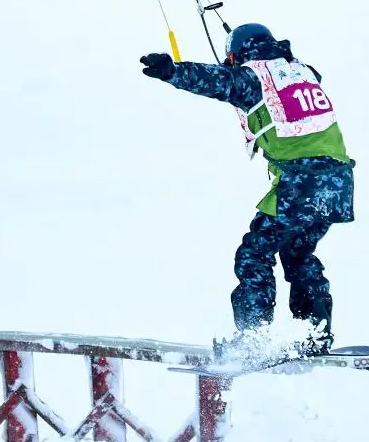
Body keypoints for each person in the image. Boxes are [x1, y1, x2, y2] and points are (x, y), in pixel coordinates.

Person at [139, 23, 355, 364]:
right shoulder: (302, 70)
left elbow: (220, 82)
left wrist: (172, 72)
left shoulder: (252, 78)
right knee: (299, 255)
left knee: (254, 255)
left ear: (238, 54)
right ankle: (315, 334)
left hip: (300, 182)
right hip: (339, 183)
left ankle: (253, 339)